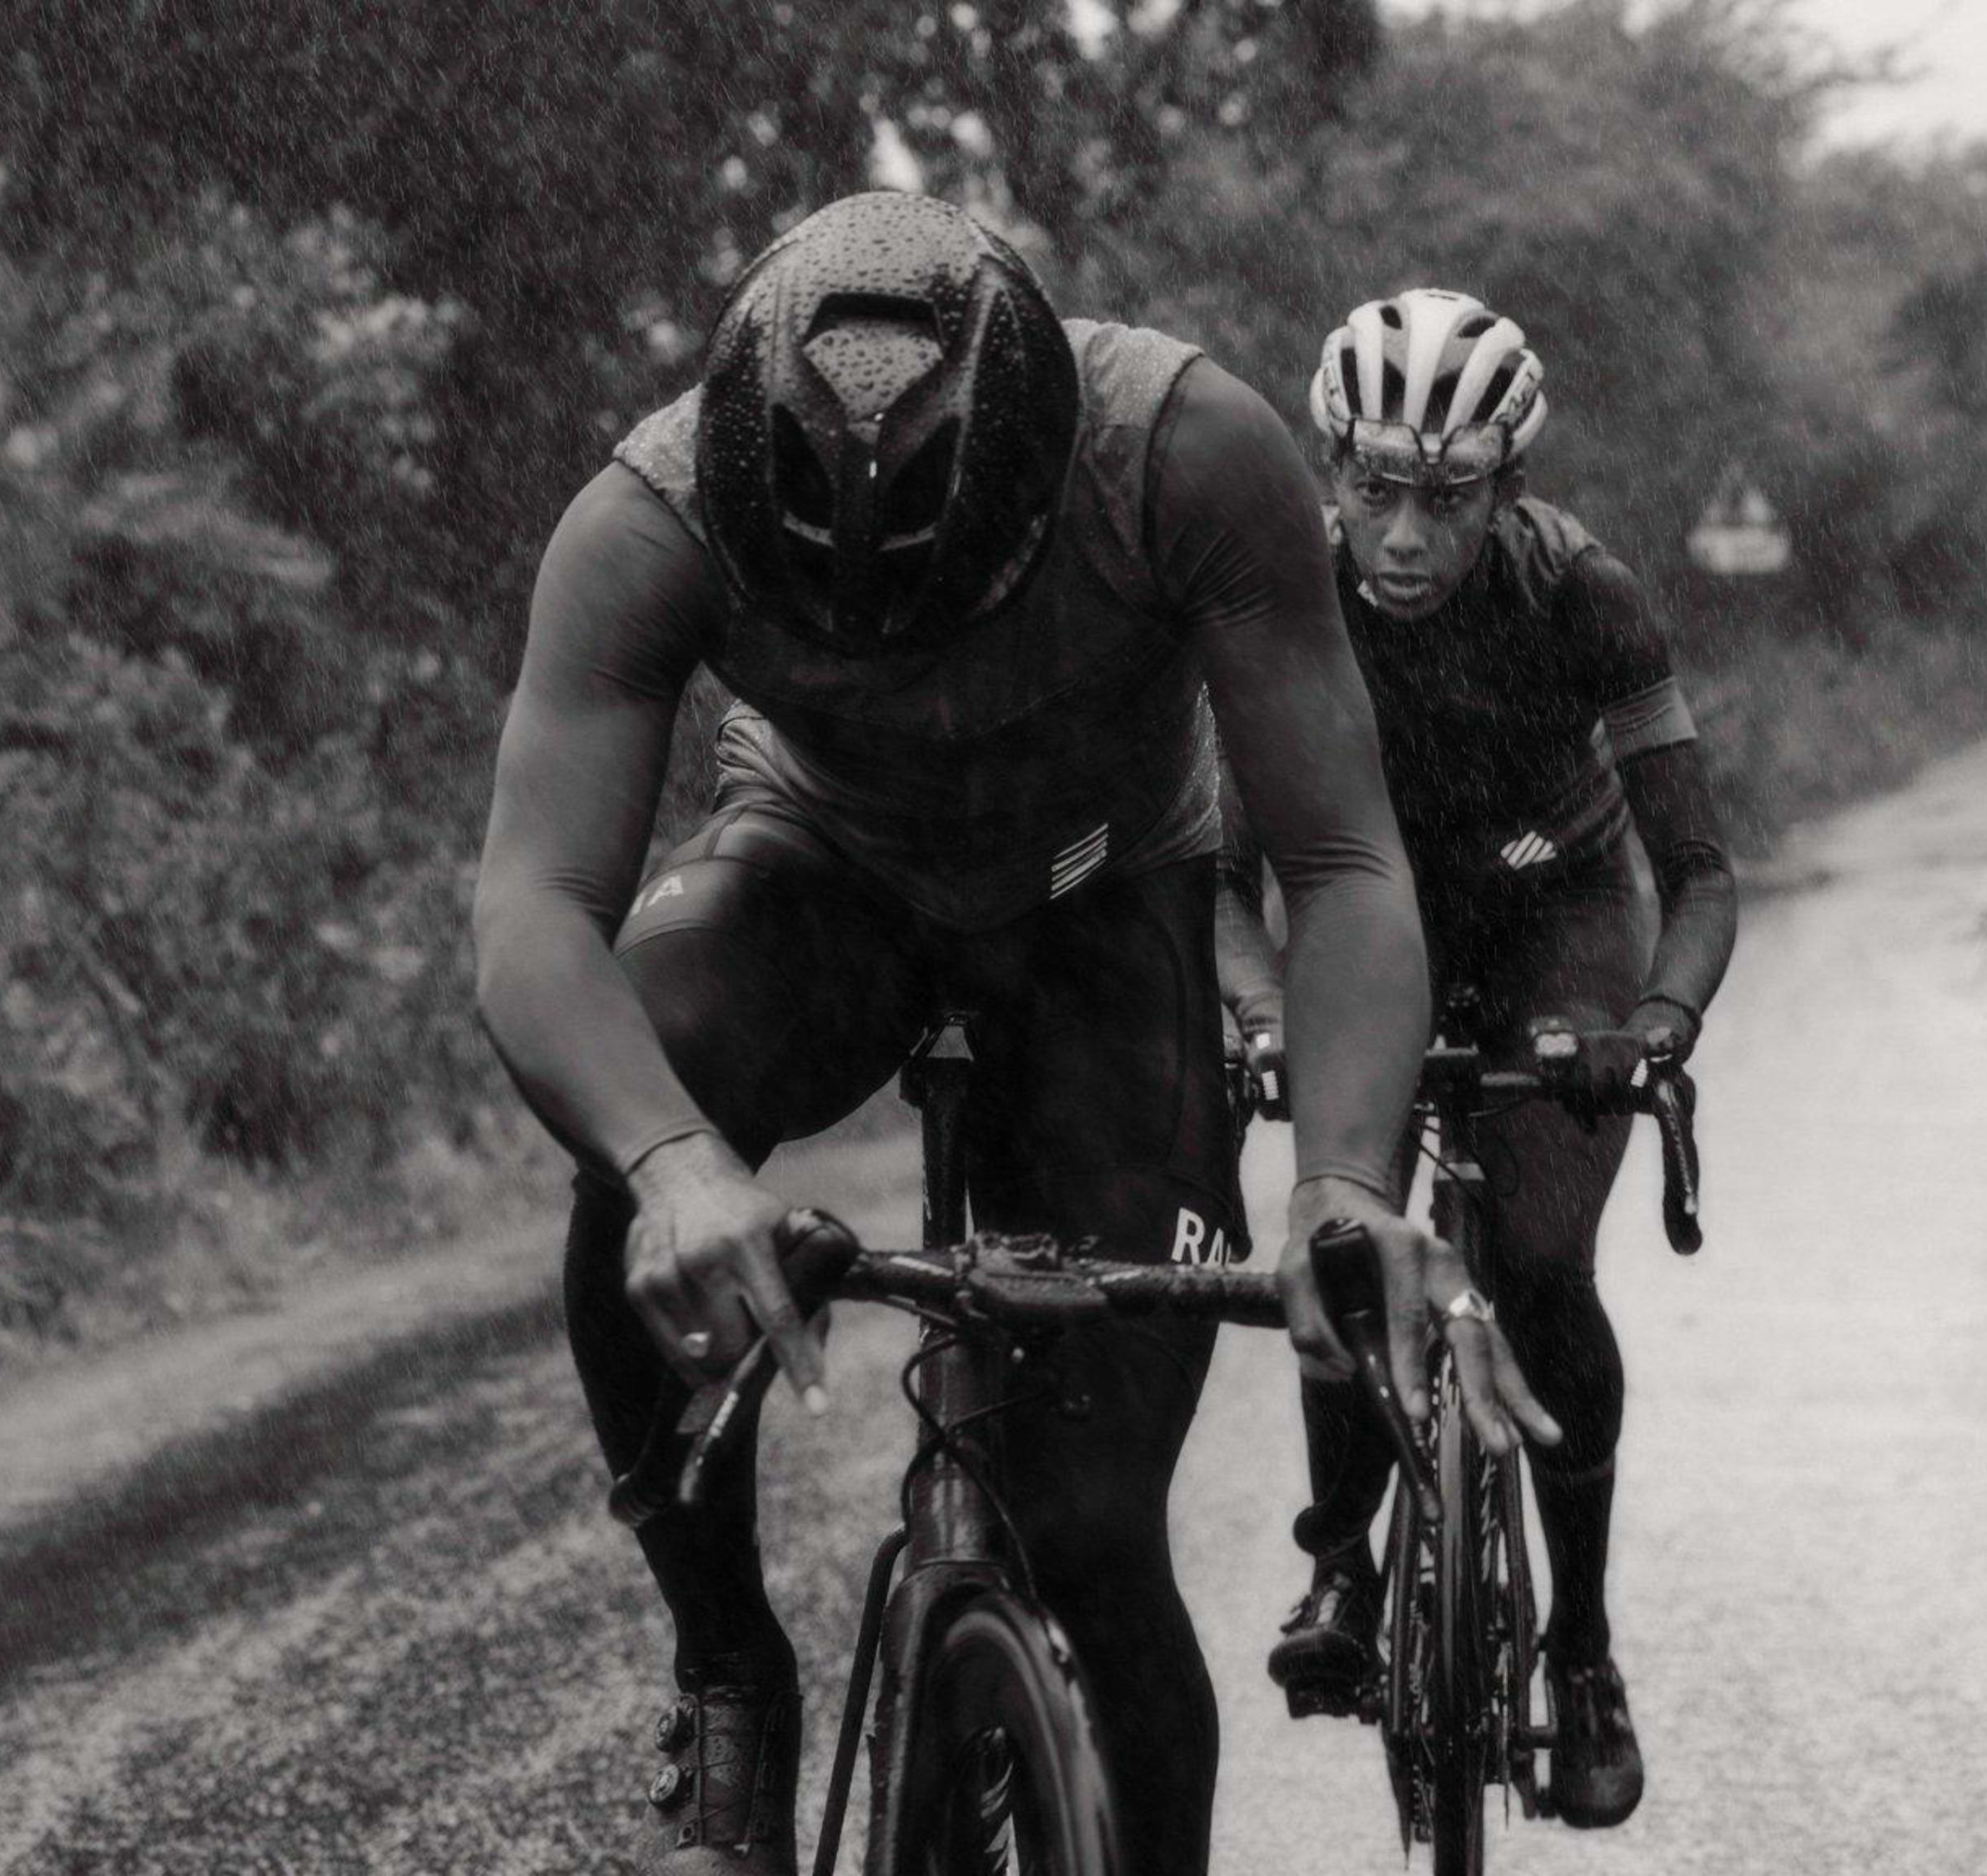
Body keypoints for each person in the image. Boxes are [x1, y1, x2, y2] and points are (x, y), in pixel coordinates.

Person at [470, 194, 1553, 1876]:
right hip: (824, 872)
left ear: (1037, 482)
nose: (905, 645)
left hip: (1101, 899)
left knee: (1092, 1534)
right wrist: (679, 1167)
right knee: (631, 1149)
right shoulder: (646, 520)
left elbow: (1341, 866)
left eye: (949, 597)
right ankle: (728, 1662)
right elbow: (533, 913)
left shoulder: (1184, 454)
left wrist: (1342, 1181)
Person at [1218, 288, 1739, 1831]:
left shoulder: (1587, 597)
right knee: (1343, 1227)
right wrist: (1258, 1020)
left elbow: (1698, 872)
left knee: (1535, 1258)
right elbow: (1213, 878)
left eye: (1446, 498)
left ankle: (1579, 1652)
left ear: (1505, 491)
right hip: (1359, 917)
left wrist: (1653, 1028)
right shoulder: (1276, 601)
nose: (1402, 533)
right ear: (1330, 474)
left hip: (1553, 918)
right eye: (1373, 488)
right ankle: (1339, 1556)